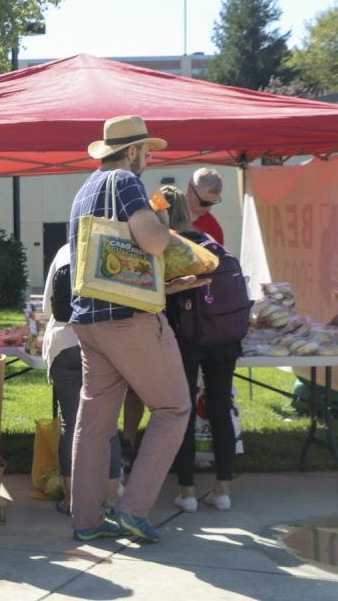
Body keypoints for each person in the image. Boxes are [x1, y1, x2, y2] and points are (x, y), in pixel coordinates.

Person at [67, 115, 200, 544]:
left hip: (88, 320)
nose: (150, 157)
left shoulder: (83, 190)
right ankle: (134, 510)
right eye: (147, 150)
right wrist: (163, 223)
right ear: (130, 152)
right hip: (129, 318)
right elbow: (154, 243)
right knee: (175, 407)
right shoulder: (125, 181)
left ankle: (86, 521)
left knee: (93, 425)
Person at [160, 185, 240, 512]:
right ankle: (223, 491)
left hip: (188, 340)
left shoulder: (171, 250)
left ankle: (188, 492)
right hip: (224, 338)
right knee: (220, 409)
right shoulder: (214, 246)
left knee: (184, 412)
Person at [41, 243, 121, 517]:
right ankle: (109, 500)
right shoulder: (115, 247)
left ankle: (72, 500)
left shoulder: (64, 250)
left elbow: (48, 306)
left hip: (65, 343)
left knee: (71, 423)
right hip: (106, 343)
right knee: (107, 424)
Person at [186, 168, 225, 245]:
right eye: (204, 203)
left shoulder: (214, 229)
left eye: (213, 203)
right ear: (190, 190)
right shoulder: (165, 209)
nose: (209, 209)